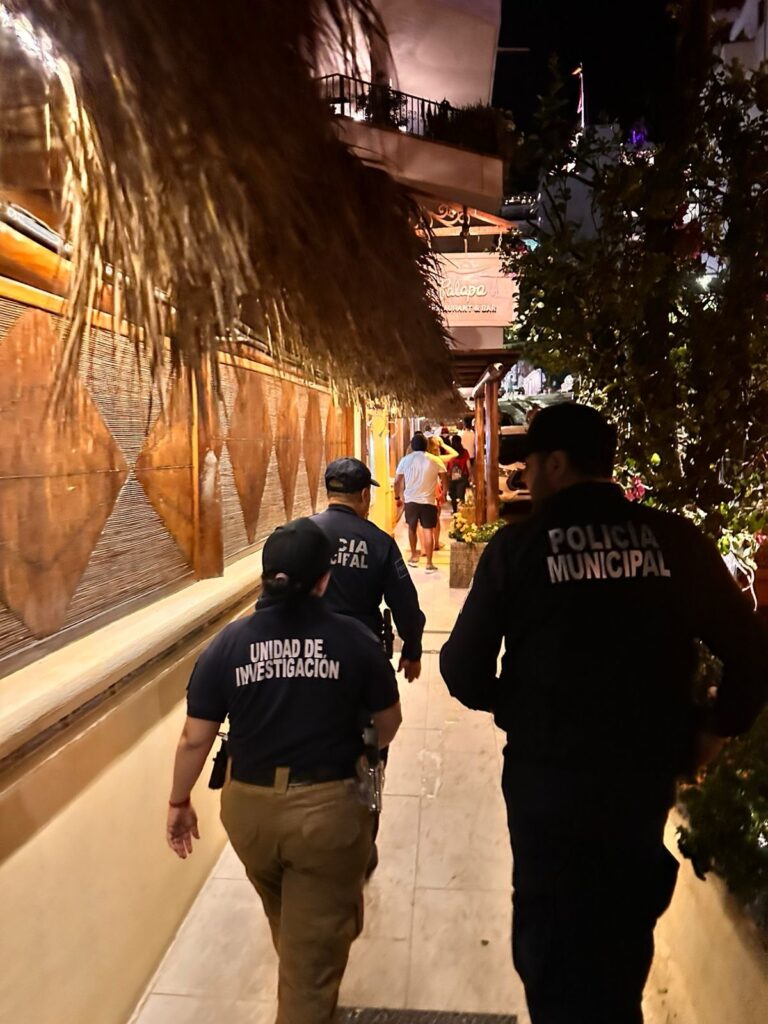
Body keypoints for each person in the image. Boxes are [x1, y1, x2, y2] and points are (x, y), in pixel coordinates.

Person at [439, 403, 768, 1024]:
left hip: (548, 788)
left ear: (556, 464)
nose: (523, 478)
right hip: (638, 787)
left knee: (552, 954)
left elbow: (460, 670)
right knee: (619, 949)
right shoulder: (674, 541)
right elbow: (751, 652)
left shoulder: (519, 548)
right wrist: (714, 731)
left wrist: (520, 705)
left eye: (530, 465)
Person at [166, 518, 402, 1024]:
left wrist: (179, 801)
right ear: (324, 579)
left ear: (264, 575)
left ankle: (316, 947)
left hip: (249, 814)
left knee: (291, 920)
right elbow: (389, 724)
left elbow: (194, 739)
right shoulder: (355, 640)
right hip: (326, 815)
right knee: (309, 975)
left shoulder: (227, 646)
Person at [312, 457, 425, 680]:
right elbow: (405, 603)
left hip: (308, 655)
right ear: (365, 495)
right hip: (360, 653)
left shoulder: (301, 534)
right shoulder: (379, 542)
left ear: (329, 493)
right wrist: (412, 651)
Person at [395, 433, 447, 573]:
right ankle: (429, 564)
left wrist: (397, 497)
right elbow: (444, 477)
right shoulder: (435, 460)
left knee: (412, 528)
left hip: (411, 500)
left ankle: (413, 557)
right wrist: (444, 492)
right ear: (426, 446)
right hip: (429, 501)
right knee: (428, 530)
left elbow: (397, 481)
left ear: (412, 446)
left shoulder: (405, 460)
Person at [427, 434, 456, 552]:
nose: (439, 448)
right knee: (436, 518)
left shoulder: (426, 457)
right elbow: (455, 454)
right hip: (436, 487)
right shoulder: (438, 459)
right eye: (437, 446)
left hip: (428, 488)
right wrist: (444, 444)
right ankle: (435, 543)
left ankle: (429, 543)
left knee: (427, 519)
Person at [446, 433, 471, 514]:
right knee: (461, 495)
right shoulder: (465, 452)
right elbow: (468, 464)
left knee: (453, 495)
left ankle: (455, 511)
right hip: (463, 476)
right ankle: (461, 512)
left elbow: (446, 464)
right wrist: (470, 475)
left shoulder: (449, 452)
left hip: (451, 476)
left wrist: (446, 475)